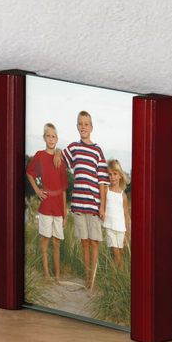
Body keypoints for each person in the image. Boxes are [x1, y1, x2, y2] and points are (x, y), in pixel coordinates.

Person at [63, 111, 109, 291]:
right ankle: (87, 277)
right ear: (77, 127)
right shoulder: (73, 148)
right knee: (84, 242)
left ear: (91, 128)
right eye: (80, 124)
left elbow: (102, 181)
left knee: (94, 242)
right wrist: (56, 155)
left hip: (94, 204)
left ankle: (94, 281)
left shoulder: (97, 151)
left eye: (86, 124)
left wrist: (102, 206)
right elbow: (59, 161)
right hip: (78, 204)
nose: (83, 127)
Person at [26, 123, 68, 283]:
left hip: (58, 208)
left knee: (56, 243)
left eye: (53, 136)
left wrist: (64, 213)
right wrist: (37, 190)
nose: (50, 139)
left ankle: (57, 276)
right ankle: (46, 275)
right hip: (45, 207)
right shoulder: (39, 156)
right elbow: (29, 172)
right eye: (48, 136)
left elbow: (64, 189)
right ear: (44, 138)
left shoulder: (61, 161)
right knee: (45, 240)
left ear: (57, 139)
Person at [103, 159, 130, 270]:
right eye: (110, 174)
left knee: (121, 254)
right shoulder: (106, 190)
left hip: (121, 229)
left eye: (115, 174)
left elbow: (126, 216)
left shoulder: (123, 196)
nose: (112, 177)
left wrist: (127, 234)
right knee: (116, 254)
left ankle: (120, 277)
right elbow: (102, 207)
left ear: (120, 176)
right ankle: (114, 280)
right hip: (110, 227)